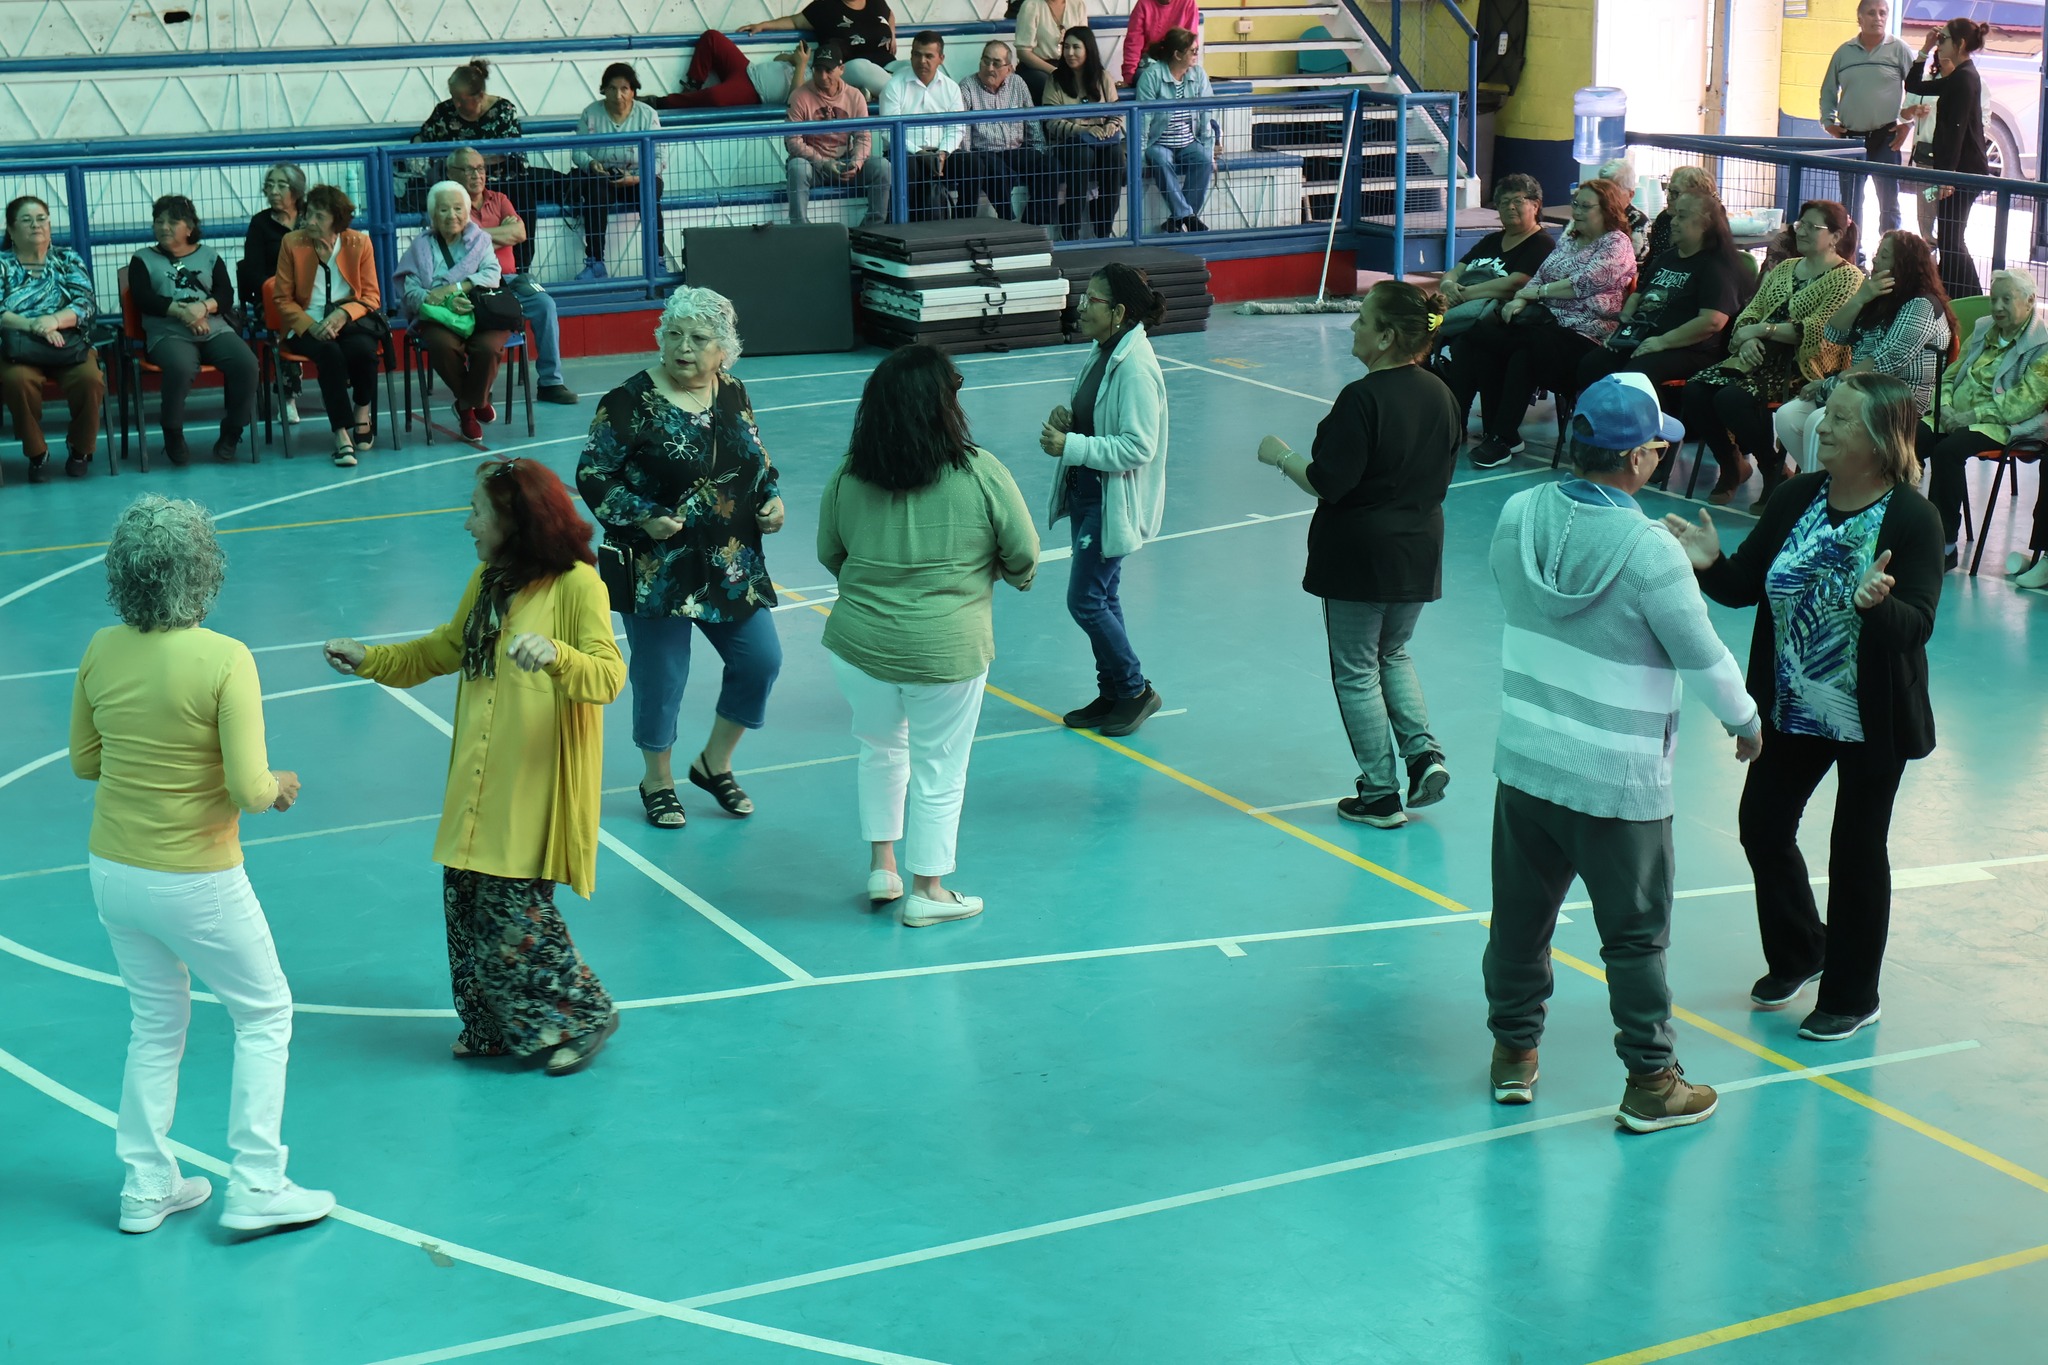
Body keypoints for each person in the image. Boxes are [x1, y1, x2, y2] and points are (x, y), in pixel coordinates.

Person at [1486, 371, 1762, 1131]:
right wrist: (1745, 721)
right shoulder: (1650, 552)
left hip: (1528, 760)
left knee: (1518, 921)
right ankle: (1650, 1080)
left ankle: (1514, 1056)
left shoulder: (1516, 513)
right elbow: (1703, 657)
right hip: (1619, 780)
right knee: (1635, 938)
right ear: (1639, 458)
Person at [70, 494, 334, 1236]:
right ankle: (256, 1182)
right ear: (204, 571)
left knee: (154, 1021)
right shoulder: (225, 658)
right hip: (197, 875)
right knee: (265, 1011)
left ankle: (146, 1183)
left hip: (113, 870)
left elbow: (85, 760)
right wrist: (278, 785)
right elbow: (251, 788)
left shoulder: (100, 647)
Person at [323, 459, 624, 1077]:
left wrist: (558, 653)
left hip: (532, 784)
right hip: (478, 779)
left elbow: (607, 676)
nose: (467, 524)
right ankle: (490, 1027)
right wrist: (370, 657)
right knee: (465, 905)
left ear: (516, 521)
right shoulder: (490, 579)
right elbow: (444, 648)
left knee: (513, 912)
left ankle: (583, 1014)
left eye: (478, 513)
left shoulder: (577, 586)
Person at [1666, 373, 1941, 1042]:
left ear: (1877, 439)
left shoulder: (1911, 517)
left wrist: (1879, 608)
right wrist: (1709, 563)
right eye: (1827, 416)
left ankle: (1853, 993)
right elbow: (1743, 587)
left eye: (1841, 420)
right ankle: (1801, 950)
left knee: (1855, 848)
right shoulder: (1795, 497)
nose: (1822, 428)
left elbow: (1918, 625)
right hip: (1792, 703)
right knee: (1762, 824)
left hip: (1869, 713)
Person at [817, 344, 1040, 926]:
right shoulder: (978, 470)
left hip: (860, 645)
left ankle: (882, 867)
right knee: (941, 765)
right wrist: (1002, 574)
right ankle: (930, 890)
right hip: (948, 646)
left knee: (879, 749)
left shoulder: (848, 472)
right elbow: (1023, 552)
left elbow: (830, 552)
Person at [576, 287, 785, 829]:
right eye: (674, 334)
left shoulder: (733, 391)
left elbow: (755, 459)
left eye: (698, 338)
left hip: (731, 561)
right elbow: (594, 474)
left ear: (724, 351)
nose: (683, 348)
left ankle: (714, 764)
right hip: (657, 568)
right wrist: (641, 513)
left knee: (760, 660)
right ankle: (657, 778)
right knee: (662, 675)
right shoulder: (627, 402)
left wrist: (771, 499)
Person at [1253, 281, 1460, 829]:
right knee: (1392, 654)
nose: (1353, 326)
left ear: (1388, 337)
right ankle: (1423, 755)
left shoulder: (1362, 399)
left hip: (1361, 555)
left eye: (1363, 320)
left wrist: (1282, 456)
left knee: (1355, 671)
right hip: (1419, 549)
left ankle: (1380, 792)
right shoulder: (1442, 394)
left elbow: (1327, 482)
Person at [1039, 263, 1169, 736]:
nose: (1080, 305)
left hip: (1108, 500)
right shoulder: (1103, 351)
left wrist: (1070, 446)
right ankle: (1112, 691)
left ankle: (1135, 690)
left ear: (1117, 312)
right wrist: (1070, 418)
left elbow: (1138, 446)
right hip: (1089, 491)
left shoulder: (1134, 366)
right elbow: (1099, 418)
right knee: (1104, 594)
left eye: (1091, 299)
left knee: (1086, 600)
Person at [1440, 178, 1636, 469]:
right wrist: (1520, 299)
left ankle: (1502, 436)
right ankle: (1464, 427)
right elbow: (1541, 275)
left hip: (1586, 333)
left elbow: (1582, 284)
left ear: (1607, 210)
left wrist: (1536, 294)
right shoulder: (1570, 238)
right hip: (1547, 325)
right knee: (1477, 338)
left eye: (1586, 206)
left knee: (1525, 348)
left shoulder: (1616, 244)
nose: (1577, 212)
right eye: (1575, 205)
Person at [1678, 199, 1863, 504]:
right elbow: (1750, 313)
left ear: (1835, 236)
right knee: (1696, 390)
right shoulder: (1785, 268)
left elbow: (1816, 330)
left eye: (1811, 227)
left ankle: (1770, 468)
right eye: (1799, 224)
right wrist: (1748, 338)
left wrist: (1761, 331)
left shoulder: (1848, 278)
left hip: (1803, 364)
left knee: (1732, 399)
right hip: (1755, 355)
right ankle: (1732, 464)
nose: (1800, 231)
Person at [1774, 229, 1952, 476]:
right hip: (1861, 390)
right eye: (1877, 253)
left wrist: (1831, 384)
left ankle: (1823, 492)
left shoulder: (1920, 304)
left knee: (1818, 421)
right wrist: (1860, 298)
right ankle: (1829, 484)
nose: (1875, 260)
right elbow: (1834, 334)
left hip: (1900, 399)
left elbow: (1884, 364)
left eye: (1884, 256)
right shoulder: (1877, 295)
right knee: (1787, 416)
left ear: (1904, 264)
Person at [1914, 269, 2048, 569]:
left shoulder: (2043, 345)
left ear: (2030, 302)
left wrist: (1969, 416)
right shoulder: (1985, 328)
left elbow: (2024, 403)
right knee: (1904, 440)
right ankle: (1889, 528)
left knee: (1947, 452)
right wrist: (1945, 406)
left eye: (2006, 300)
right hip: (1953, 415)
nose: (1997, 307)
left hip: (1999, 424)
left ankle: (1944, 543)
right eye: (1993, 299)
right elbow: (1951, 375)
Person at [1573, 192, 1747, 398]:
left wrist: (1662, 342)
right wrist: (1625, 324)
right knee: (1593, 365)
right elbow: (1640, 292)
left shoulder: (1717, 266)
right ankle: (1595, 426)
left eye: (1681, 216)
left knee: (1633, 378)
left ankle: (1652, 427)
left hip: (1689, 348)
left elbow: (1712, 322)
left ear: (1705, 224)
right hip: (1645, 336)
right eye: (1674, 215)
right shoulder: (1667, 258)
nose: (1673, 222)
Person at [128, 195, 258, 466]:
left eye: (172, 221)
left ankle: (233, 431)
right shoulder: (142, 259)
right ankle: (173, 432)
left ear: (189, 227)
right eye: (159, 221)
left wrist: (202, 308)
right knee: (181, 367)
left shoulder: (209, 255)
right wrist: (183, 312)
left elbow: (225, 294)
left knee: (247, 364)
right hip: (168, 333)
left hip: (214, 329)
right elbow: (143, 299)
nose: (164, 227)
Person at [447, 146, 578, 405]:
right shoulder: (450, 206)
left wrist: (478, 236)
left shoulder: (499, 198)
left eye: (481, 168)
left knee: (545, 304)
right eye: (469, 169)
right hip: (474, 282)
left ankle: (551, 382)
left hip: (511, 279)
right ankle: (481, 384)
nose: (477, 175)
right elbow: (459, 245)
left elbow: (519, 233)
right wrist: (497, 233)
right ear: (452, 173)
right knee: (480, 312)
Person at [273, 183, 384, 468]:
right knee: (330, 354)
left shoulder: (359, 243)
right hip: (304, 323)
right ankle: (341, 435)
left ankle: (362, 411)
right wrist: (311, 325)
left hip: (348, 320)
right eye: (308, 213)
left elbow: (371, 297)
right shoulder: (292, 243)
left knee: (363, 351)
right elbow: (282, 299)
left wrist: (343, 314)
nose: (310, 221)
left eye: (319, 216)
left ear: (337, 220)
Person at [0, 194, 103, 483]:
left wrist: (55, 321)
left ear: (50, 225)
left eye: (41, 219)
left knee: (90, 380)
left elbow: (85, 303)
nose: (36, 225)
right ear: (10, 230)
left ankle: (81, 449)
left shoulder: (67, 258)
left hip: (66, 342)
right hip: (18, 344)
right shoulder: (2, 264)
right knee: (18, 382)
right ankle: (37, 453)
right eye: (26, 220)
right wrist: (35, 325)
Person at [394, 180, 507, 442]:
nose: (451, 215)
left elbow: (492, 273)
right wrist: (446, 303)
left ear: (467, 212)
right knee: (440, 345)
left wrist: (457, 289)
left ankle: (466, 403)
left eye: (458, 208)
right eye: (443, 210)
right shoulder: (420, 246)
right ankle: (472, 407)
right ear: (433, 215)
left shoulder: (481, 240)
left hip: (479, 310)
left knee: (488, 347)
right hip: (438, 316)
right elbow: (411, 292)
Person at [413, 59, 538, 272]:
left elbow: (511, 152)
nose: (456, 104)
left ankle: (521, 271)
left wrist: (470, 161)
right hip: (458, 182)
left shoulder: (503, 110)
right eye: (453, 97)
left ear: (479, 96)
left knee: (524, 195)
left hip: (504, 181)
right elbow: (422, 138)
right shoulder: (444, 112)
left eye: (461, 99)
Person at [1906, 17, 1991, 299]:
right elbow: (1914, 85)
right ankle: (1954, 295)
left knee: (1952, 240)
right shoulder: (1959, 76)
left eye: (1943, 39)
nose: (1939, 43)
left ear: (1960, 44)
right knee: (1951, 239)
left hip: (1964, 173)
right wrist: (1924, 50)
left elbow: (1955, 130)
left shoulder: (1965, 78)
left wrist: (1946, 177)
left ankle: (1968, 298)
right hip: (1958, 172)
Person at [1428, 172, 1554, 352]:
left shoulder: (1541, 242)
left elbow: (1515, 283)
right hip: (1460, 307)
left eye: (1518, 201)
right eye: (1504, 202)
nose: (1510, 207)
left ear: (1536, 205)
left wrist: (1463, 295)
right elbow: (1456, 271)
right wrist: (1448, 284)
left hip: (1492, 320)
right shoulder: (1491, 240)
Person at [1821, 0, 1913, 237]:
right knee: (1849, 206)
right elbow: (1828, 91)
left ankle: (1889, 258)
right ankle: (1853, 257)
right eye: (1871, 13)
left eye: (1883, 13)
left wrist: (1907, 125)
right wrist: (1829, 123)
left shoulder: (1899, 50)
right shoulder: (1844, 52)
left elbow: (1917, 90)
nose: (1878, 18)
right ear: (1859, 18)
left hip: (1886, 138)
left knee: (1889, 205)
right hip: (1850, 140)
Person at [570, 63, 666, 282]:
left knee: (651, 191)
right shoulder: (591, 113)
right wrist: (593, 164)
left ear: (633, 91)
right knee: (594, 190)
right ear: (604, 89)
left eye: (624, 88)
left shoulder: (647, 114)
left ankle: (657, 261)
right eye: (612, 88)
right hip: (603, 178)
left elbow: (660, 157)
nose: (618, 94)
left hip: (638, 178)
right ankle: (595, 263)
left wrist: (635, 178)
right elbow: (577, 152)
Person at [785, 46, 891, 226]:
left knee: (882, 166)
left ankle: (873, 229)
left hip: (845, 162)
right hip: (814, 166)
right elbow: (792, 141)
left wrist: (856, 163)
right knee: (797, 167)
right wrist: (823, 162)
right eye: (818, 70)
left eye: (829, 70)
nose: (823, 76)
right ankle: (800, 229)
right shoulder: (799, 96)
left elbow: (863, 137)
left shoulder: (854, 96)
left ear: (841, 69)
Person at [1042, 26, 1126, 240]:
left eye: (1076, 47)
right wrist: (1082, 130)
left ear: (1088, 50)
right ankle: (1070, 229)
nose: (1070, 53)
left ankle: (1103, 230)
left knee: (1116, 155)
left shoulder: (1103, 77)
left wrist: (1110, 126)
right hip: (1067, 144)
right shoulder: (1055, 79)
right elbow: (1051, 122)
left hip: (1102, 143)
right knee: (1082, 154)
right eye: (1066, 47)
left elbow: (1117, 112)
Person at [955, 40, 1051, 222]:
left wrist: (1039, 151)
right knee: (996, 169)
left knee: (1049, 166)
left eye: (996, 63)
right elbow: (964, 130)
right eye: (985, 61)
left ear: (1009, 68)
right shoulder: (967, 86)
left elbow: (1032, 122)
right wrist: (967, 157)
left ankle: (1032, 225)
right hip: (983, 152)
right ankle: (1009, 220)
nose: (990, 68)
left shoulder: (1018, 83)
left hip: (1015, 150)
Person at [242, 163, 307, 425]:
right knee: (286, 322)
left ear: (296, 190)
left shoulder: (311, 217)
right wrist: (281, 290)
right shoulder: (260, 224)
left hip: (313, 295)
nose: (274, 191)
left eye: (281, 185)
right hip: (273, 299)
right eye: (270, 185)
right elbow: (253, 272)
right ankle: (287, 397)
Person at [881, 31, 966, 221]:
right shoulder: (894, 86)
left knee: (972, 164)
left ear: (941, 59)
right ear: (911, 55)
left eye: (929, 56)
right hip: (907, 153)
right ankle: (905, 224)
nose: (922, 61)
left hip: (941, 152)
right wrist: (920, 153)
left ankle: (965, 222)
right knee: (908, 164)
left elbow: (957, 127)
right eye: (917, 54)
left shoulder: (951, 88)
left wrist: (943, 153)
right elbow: (889, 132)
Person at [1136, 29, 1215, 233]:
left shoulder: (1198, 75)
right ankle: (1189, 217)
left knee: (1204, 160)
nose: (1196, 55)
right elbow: (1143, 121)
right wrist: (1141, 157)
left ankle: (1177, 219)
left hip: (1189, 141)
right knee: (1161, 160)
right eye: (1192, 51)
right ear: (1177, 55)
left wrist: (1209, 149)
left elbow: (1206, 115)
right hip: (1159, 142)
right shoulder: (1151, 76)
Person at [741, 0, 896, 98]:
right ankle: (895, 95)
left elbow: (890, 15)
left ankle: (876, 93)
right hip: (847, 69)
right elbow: (795, 22)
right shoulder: (825, 6)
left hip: (887, 65)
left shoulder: (877, 2)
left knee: (910, 67)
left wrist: (892, 34)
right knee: (861, 66)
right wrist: (762, 25)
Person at [650, 30, 806, 109]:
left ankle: (661, 103)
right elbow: (777, 60)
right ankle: (692, 87)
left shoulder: (815, 83)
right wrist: (794, 58)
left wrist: (801, 65)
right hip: (748, 69)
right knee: (712, 37)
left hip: (754, 91)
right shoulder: (808, 60)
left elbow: (795, 99)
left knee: (715, 96)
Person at [1015, 0, 1090, 102]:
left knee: (1095, 77)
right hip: (1037, 67)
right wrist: (1054, 71)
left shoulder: (1078, 5)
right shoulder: (1031, 5)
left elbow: (1085, 42)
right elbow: (1023, 52)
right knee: (1049, 83)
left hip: (1069, 63)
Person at [1639, 165, 1716, 264]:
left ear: (1695, 198)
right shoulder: (1664, 219)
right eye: (1669, 191)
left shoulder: (1708, 226)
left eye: (1675, 192)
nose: (1668, 198)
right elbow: (1652, 261)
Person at [1121, 0, 1200, 87]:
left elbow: (1191, 42)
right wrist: (1129, 77)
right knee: (1147, 78)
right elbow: (1133, 44)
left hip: (1179, 63)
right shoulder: (1143, 4)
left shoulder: (1188, 3)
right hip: (1150, 63)